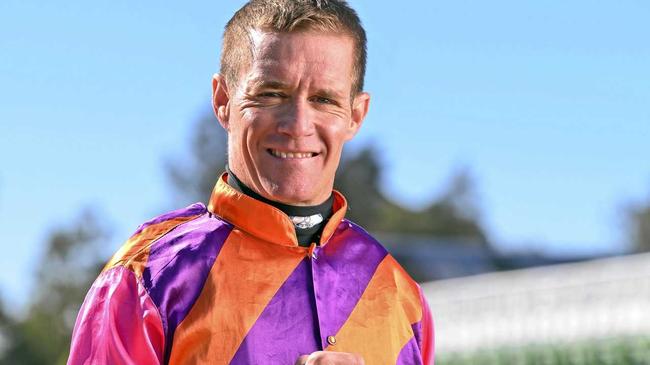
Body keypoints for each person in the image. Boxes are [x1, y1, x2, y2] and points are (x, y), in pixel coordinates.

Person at [67, 0, 434, 364]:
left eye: (324, 99)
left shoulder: (401, 296)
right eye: (271, 94)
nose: (298, 125)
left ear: (356, 115)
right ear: (223, 99)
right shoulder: (147, 280)